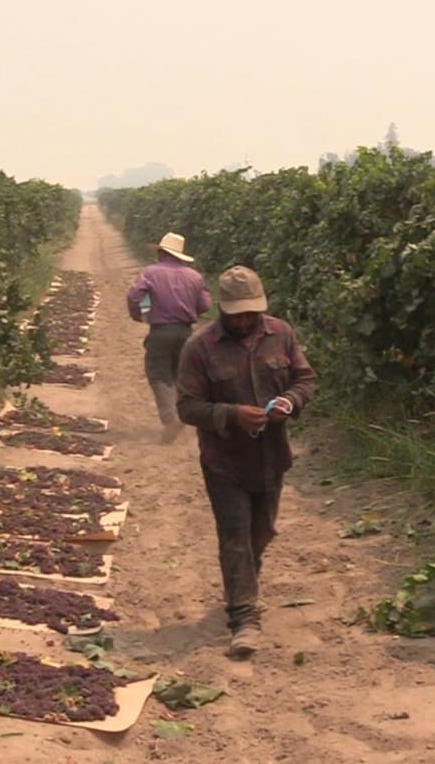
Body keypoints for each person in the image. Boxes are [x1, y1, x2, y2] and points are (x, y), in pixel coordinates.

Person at [175, 265, 316, 659]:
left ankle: (245, 587)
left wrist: (290, 401)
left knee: (262, 533)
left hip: (272, 456)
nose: (244, 320)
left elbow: (305, 379)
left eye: (250, 312)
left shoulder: (281, 334)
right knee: (235, 537)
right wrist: (231, 414)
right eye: (237, 313)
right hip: (225, 462)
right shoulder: (199, 347)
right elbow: (187, 407)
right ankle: (243, 618)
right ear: (223, 308)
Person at [125, 232, 212, 442]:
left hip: (161, 331)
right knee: (179, 374)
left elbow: (134, 295)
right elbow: (205, 305)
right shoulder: (194, 276)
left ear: (161, 253)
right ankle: (185, 415)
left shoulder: (151, 273)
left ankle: (171, 419)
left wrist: (138, 315)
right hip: (186, 331)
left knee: (159, 375)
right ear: (180, 256)